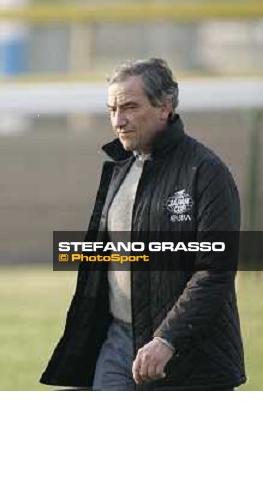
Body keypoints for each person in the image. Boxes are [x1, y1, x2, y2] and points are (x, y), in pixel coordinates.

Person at [41, 58, 246, 390]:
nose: (118, 121)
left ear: (165, 107)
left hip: (187, 352)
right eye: (112, 109)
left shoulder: (206, 171)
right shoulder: (119, 168)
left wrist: (166, 339)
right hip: (118, 342)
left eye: (130, 107)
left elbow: (215, 270)